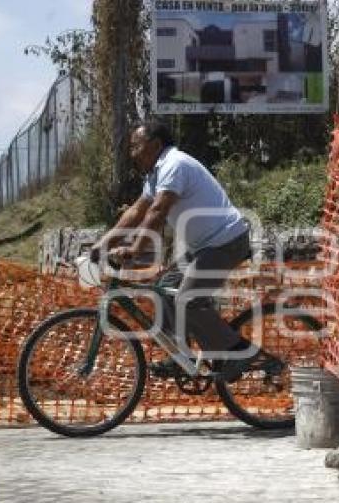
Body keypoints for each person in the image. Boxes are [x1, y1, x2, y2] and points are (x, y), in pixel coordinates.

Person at [90, 120, 256, 382]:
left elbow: (157, 212)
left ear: (155, 145)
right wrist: (105, 243)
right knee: (165, 287)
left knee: (189, 299)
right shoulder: (156, 173)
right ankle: (180, 356)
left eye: (136, 146)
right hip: (203, 245)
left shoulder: (174, 165)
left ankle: (239, 351)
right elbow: (136, 211)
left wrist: (134, 249)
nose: (132, 153)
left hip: (225, 240)